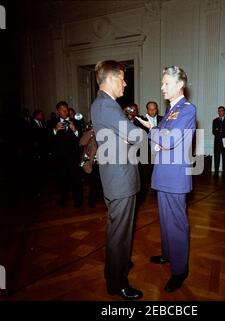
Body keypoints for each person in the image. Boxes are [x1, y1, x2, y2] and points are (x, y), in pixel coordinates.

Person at [136, 66, 196, 292]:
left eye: (166, 83)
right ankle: (168, 255)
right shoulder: (171, 111)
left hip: (175, 176)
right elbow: (159, 141)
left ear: (179, 85)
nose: (162, 87)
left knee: (177, 223)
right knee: (165, 219)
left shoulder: (187, 109)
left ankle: (180, 270)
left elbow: (168, 141)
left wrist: (154, 131)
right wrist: (155, 131)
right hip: (163, 173)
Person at [90, 60, 144, 300]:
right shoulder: (108, 107)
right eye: (122, 79)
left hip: (115, 176)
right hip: (120, 179)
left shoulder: (102, 104)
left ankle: (115, 267)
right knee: (120, 234)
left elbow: (122, 136)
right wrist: (131, 135)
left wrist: (124, 138)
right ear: (111, 80)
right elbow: (137, 135)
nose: (125, 83)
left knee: (118, 231)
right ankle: (117, 282)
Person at [49, 101, 83, 207]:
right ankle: (64, 198)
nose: (64, 111)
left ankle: (78, 201)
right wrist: (55, 130)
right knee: (63, 179)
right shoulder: (51, 122)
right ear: (57, 111)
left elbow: (81, 139)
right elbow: (47, 140)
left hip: (74, 157)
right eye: (62, 109)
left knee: (76, 180)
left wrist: (74, 130)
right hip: (60, 157)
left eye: (66, 109)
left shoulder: (75, 122)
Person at [212, 106, 225, 179]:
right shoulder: (215, 120)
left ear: (224, 112)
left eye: (221, 111)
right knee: (216, 158)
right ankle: (216, 172)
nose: (220, 112)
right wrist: (220, 133)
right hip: (217, 142)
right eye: (219, 111)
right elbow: (214, 131)